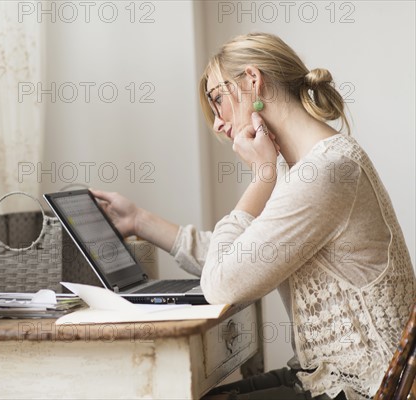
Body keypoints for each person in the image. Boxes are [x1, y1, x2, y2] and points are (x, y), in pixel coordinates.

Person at [90, 32, 415, 400]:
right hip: (325, 376)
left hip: (362, 387)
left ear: (253, 80)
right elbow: (241, 257)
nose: (216, 123)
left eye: (218, 101)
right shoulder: (314, 168)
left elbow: (222, 283)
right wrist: (138, 221)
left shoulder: (326, 173)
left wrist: (263, 175)